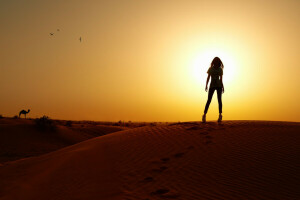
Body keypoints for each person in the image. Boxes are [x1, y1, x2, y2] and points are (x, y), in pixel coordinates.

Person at [202, 57, 224, 123]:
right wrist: (206, 85)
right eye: (215, 61)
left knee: (219, 100)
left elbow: (221, 79)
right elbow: (208, 77)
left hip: (219, 86)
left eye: (218, 61)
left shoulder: (220, 70)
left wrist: (222, 86)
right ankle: (204, 115)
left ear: (219, 62)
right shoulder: (211, 69)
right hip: (212, 86)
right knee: (209, 100)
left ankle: (220, 115)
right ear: (214, 62)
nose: (217, 62)